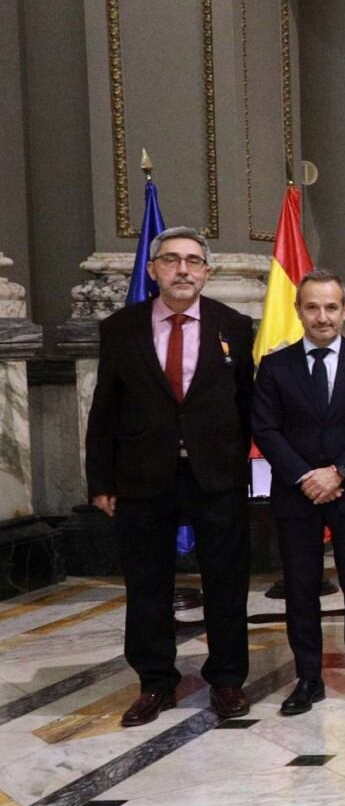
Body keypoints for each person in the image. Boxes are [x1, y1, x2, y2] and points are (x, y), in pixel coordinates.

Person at [87, 227, 257, 726]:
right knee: (147, 583)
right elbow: (105, 410)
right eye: (172, 260)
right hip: (142, 477)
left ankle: (226, 680)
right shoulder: (121, 329)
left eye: (193, 261)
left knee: (226, 582)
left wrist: (242, 470)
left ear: (207, 271)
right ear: (153, 269)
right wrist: (101, 481)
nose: (183, 269)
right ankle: (154, 681)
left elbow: (246, 407)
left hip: (216, 476)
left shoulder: (235, 326)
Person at [253, 270, 345, 714]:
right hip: (297, 495)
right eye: (312, 307)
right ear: (298, 311)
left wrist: (338, 472)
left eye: (331, 307)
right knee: (300, 587)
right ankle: (308, 678)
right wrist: (306, 476)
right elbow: (266, 429)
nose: (322, 316)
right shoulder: (276, 366)